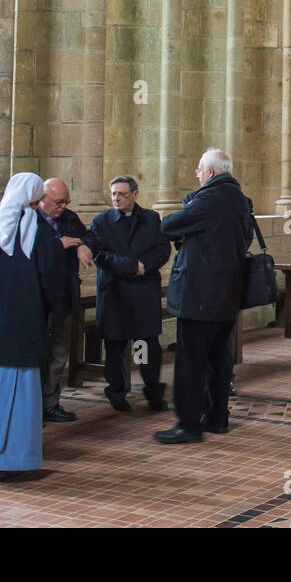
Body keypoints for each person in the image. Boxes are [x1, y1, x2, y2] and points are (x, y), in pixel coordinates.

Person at [0, 172, 68, 477]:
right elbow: (53, 285)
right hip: (18, 330)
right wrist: (55, 311)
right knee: (15, 396)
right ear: (36, 198)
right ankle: (11, 461)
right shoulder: (40, 234)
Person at [155, 149, 253, 444]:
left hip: (199, 295)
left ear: (210, 172)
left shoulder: (208, 199)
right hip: (228, 295)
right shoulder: (240, 200)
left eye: (199, 170)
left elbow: (168, 225)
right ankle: (217, 419)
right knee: (220, 359)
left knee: (191, 361)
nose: (197, 175)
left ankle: (189, 425)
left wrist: (188, 232)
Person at [88, 175, 171, 412]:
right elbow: (99, 255)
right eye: (113, 193)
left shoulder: (151, 219)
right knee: (115, 346)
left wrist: (144, 265)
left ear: (135, 195)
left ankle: (152, 390)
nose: (116, 198)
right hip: (115, 292)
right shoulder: (101, 222)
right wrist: (131, 266)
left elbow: (163, 249)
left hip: (143, 292)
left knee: (145, 346)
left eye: (122, 194)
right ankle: (117, 392)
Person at [36, 178, 93, 423]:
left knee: (59, 353)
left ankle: (51, 403)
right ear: (42, 198)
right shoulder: (29, 219)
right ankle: (31, 407)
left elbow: (90, 236)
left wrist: (84, 246)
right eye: (59, 202)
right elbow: (26, 253)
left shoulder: (69, 218)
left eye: (66, 201)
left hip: (64, 297)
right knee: (37, 355)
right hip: (37, 300)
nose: (63, 206)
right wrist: (57, 245)